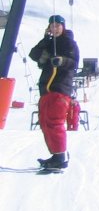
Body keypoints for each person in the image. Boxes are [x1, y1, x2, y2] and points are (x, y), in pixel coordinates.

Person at [28, 14, 81, 171]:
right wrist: (46, 40)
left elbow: (73, 62)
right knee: (45, 122)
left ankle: (60, 156)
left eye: (58, 25)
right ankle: (56, 155)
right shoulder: (50, 43)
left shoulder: (69, 43)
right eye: (52, 25)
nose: (55, 28)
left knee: (54, 121)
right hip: (46, 88)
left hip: (59, 87)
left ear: (63, 27)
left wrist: (62, 61)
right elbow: (34, 55)